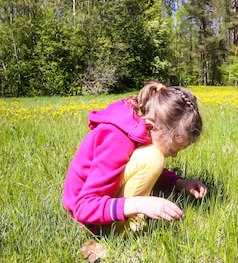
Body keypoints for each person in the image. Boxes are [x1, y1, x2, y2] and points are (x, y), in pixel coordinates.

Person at [62, 81, 207, 234]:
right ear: (151, 127)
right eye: (173, 148)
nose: (174, 155)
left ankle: (124, 217)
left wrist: (179, 183)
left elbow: (136, 167)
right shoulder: (116, 138)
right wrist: (140, 204)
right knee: (154, 157)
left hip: (95, 206)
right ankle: (119, 229)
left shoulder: (135, 127)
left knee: (152, 158)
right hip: (88, 215)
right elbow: (83, 207)